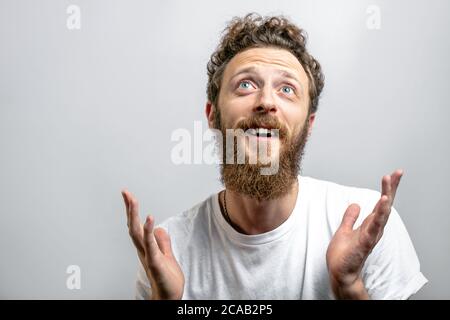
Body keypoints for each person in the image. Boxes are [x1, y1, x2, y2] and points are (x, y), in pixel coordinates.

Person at [121, 13, 427, 300]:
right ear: (212, 115)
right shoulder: (167, 248)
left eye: (287, 89)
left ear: (308, 124)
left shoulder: (369, 226)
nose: (266, 101)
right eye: (245, 85)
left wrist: (349, 288)